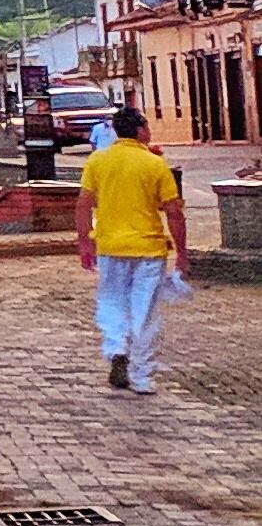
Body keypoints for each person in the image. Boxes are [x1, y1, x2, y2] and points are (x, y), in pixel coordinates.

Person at [77, 109, 190, 393]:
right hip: (148, 248)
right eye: (147, 125)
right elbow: (174, 212)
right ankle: (140, 376)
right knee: (144, 311)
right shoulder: (154, 164)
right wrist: (182, 253)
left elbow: (83, 204)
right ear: (140, 130)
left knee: (113, 302)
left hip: (110, 246)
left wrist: (84, 243)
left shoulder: (97, 161)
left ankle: (117, 349)